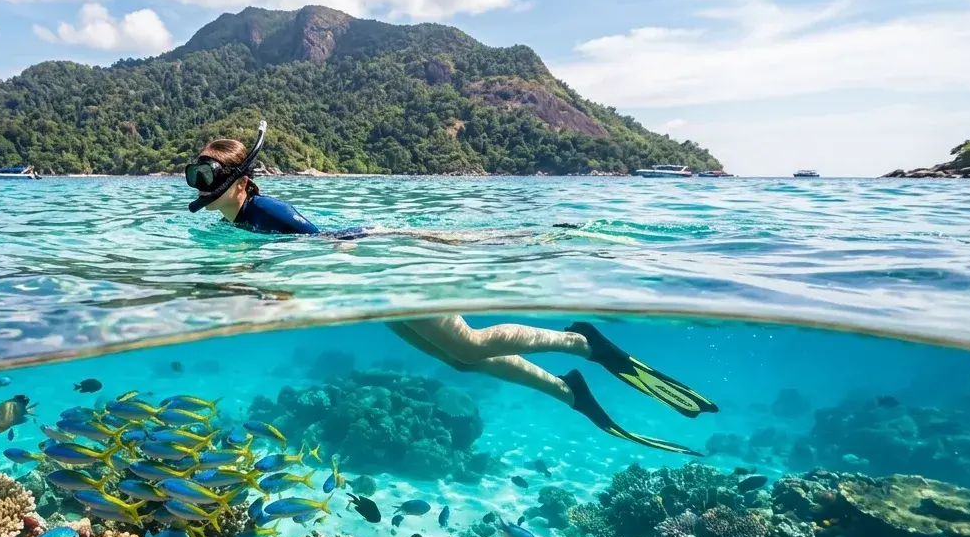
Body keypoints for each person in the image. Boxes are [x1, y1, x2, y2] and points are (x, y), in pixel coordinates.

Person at [185, 125, 719, 455]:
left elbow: (323, 243)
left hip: (381, 266)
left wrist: (295, 290)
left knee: (472, 341)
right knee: (461, 362)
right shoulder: (240, 221)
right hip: (369, 290)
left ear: (238, 179)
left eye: (207, 175)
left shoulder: (264, 210)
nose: (199, 186)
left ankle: (583, 342)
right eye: (196, 175)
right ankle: (570, 390)